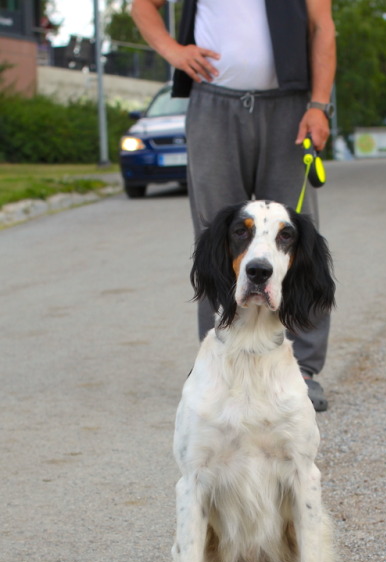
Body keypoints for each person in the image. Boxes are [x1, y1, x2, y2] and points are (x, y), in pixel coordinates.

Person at [131, 0, 337, 411]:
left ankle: (304, 371)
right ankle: (218, 367)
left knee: (296, 236)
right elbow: (142, 6)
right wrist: (174, 51)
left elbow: (322, 27)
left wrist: (318, 104)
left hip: (289, 105)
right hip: (213, 104)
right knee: (218, 236)